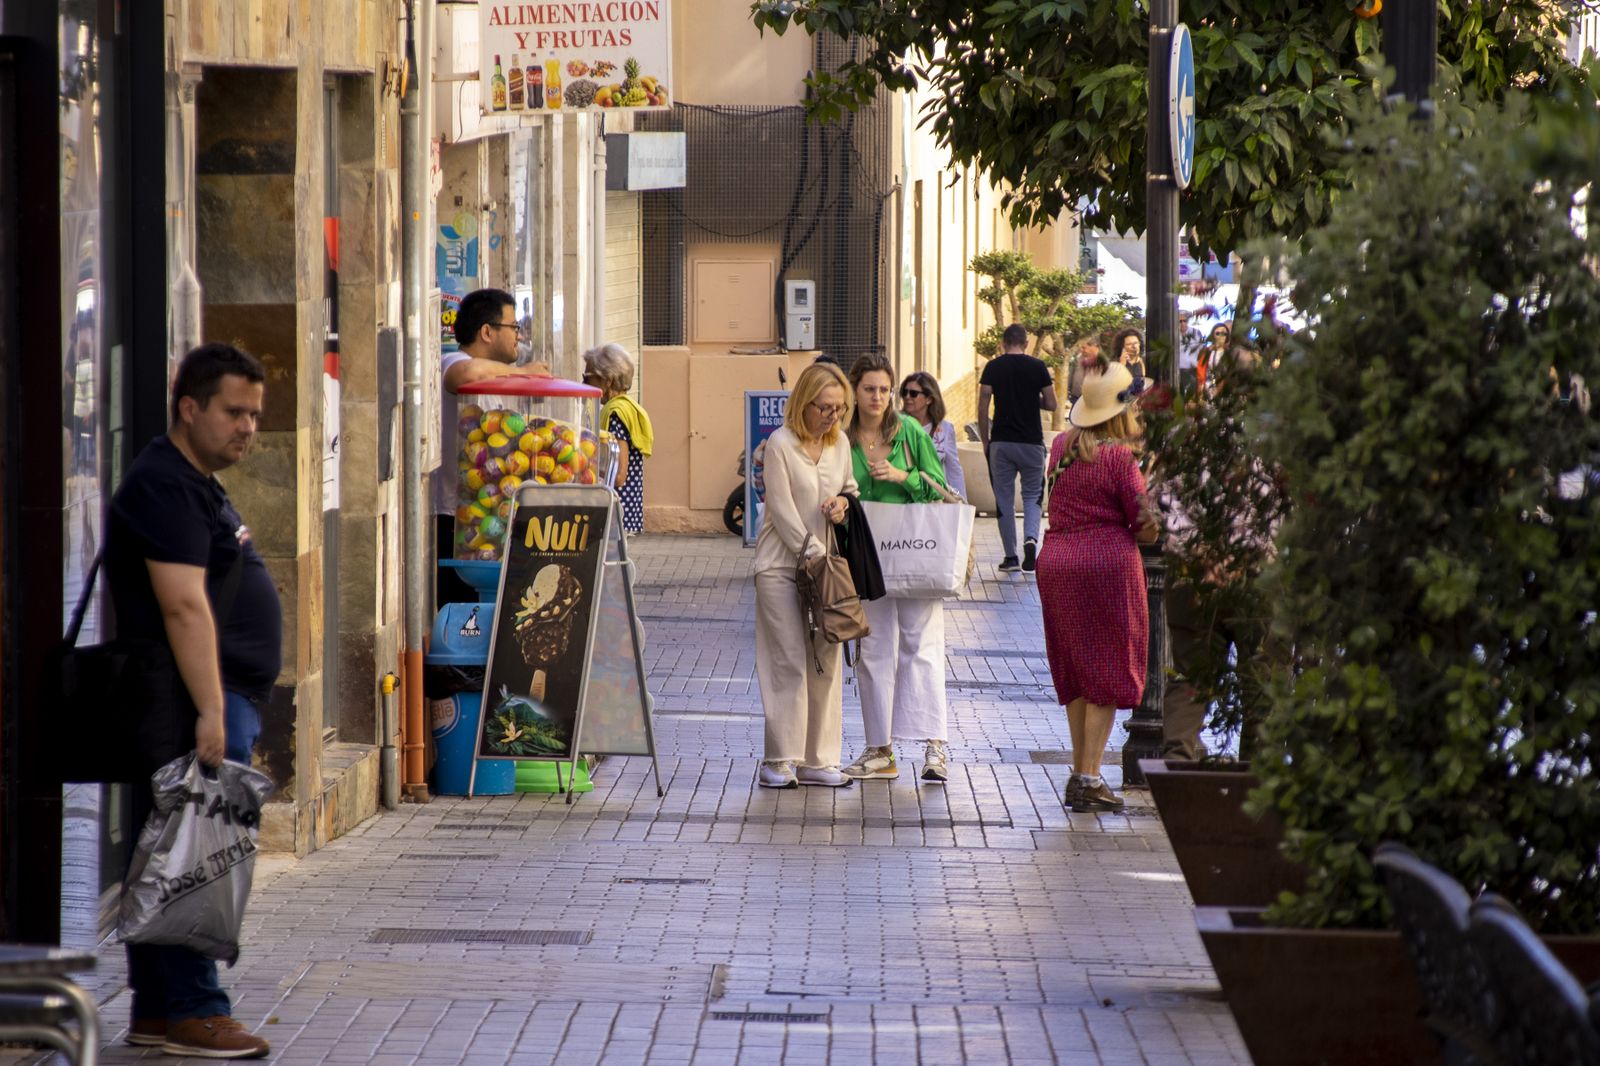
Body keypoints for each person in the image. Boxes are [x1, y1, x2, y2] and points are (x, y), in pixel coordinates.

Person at [105, 343, 279, 1059]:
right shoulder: (167, 487)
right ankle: (198, 1008)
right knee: (196, 853)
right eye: (234, 412)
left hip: (212, 697)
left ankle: (156, 1008)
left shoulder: (192, 480)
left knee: (172, 845)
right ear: (189, 408)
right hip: (191, 701)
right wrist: (211, 709)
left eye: (255, 415)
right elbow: (183, 607)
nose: (247, 428)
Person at [1037, 361, 1159, 812]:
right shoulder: (1118, 458)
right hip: (1105, 565)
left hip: (1057, 562)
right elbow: (1145, 526)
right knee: (1107, 669)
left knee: (1077, 672)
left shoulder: (1061, 447)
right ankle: (1088, 777)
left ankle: (1080, 773)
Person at [840, 354, 954, 783]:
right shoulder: (843, 437)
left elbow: (938, 486)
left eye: (884, 390)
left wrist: (902, 476)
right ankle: (879, 750)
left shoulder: (907, 431)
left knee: (921, 646)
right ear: (855, 390)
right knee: (872, 650)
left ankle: (934, 747)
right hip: (865, 553)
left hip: (915, 548)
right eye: (869, 389)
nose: (877, 397)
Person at [752, 361, 858, 789]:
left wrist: (842, 505)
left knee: (826, 658)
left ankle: (819, 759)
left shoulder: (840, 444)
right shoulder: (780, 444)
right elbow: (780, 511)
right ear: (804, 403)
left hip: (826, 568)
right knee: (788, 659)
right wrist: (812, 551)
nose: (833, 416)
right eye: (825, 408)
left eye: (839, 408)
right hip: (781, 566)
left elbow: (849, 487)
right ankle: (779, 758)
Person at [434, 288, 549, 602]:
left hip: (489, 513)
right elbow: (465, 374)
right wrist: (522, 372)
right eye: (513, 327)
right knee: (465, 611)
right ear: (487, 331)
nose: (519, 336)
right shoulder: (453, 361)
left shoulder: (495, 377)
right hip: (455, 519)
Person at [978, 323, 1057, 573]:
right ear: (1025, 343)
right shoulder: (1038, 367)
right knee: (1033, 496)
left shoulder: (993, 367)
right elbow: (1053, 404)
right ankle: (1031, 540)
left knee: (1004, 499)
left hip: (1001, 442)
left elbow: (982, 406)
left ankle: (1011, 557)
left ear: (1003, 343)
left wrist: (985, 441)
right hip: (1032, 442)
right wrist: (1032, 398)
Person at [583, 343, 653, 534]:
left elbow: (620, 475)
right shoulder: (629, 408)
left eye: (588, 378)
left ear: (608, 380)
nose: (583, 384)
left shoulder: (616, 414)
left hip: (616, 508)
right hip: (625, 508)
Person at [899, 370, 965, 500]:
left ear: (929, 399)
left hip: (935, 500)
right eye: (904, 392)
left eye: (913, 394)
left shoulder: (945, 429)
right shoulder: (897, 426)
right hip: (905, 498)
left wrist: (961, 501)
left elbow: (954, 469)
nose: (907, 397)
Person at [1066, 334, 1103, 404]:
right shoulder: (1077, 359)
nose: (1082, 349)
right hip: (1075, 398)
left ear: (1096, 346)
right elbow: (1070, 376)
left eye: (1085, 347)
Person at [1196, 323, 1231, 396]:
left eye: (1224, 334)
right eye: (1218, 333)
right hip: (1207, 388)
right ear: (1213, 335)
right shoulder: (1206, 351)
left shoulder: (1230, 353)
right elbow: (1200, 370)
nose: (1221, 336)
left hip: (1225, 390)